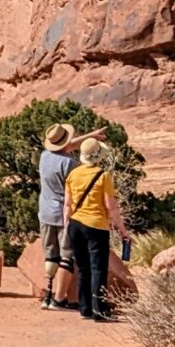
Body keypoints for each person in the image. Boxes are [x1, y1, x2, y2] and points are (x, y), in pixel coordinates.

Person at [63, 136, 122, 322]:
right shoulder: (103, 176)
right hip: (96, 226)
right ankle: (100, 311)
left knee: (82, 268)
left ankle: (85, 308)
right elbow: (111, 206)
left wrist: (66, 226)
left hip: (75, 224)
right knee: (98, 269)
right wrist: (122, 230)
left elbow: (67, 205)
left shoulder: (73, 174)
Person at [36, 122, 79, 311]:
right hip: (63, 214)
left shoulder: (44, 156)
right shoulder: (70, 163)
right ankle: (59, 299)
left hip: (45, 213)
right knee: (67, 256)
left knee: (50, 256)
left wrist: (91, 135)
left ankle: (47, 295)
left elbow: (66, 146)